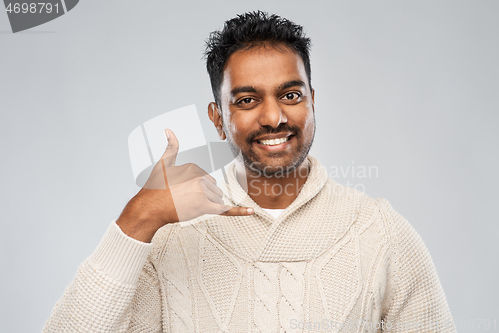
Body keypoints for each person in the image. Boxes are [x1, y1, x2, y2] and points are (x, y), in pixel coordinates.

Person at [43, 11, 456, 332]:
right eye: (246, 100)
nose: (274, 117)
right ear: (218, 118)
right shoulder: (172, 237)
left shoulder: (380, 232)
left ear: (312, 102)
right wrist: (139, 217)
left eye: (290, 95)